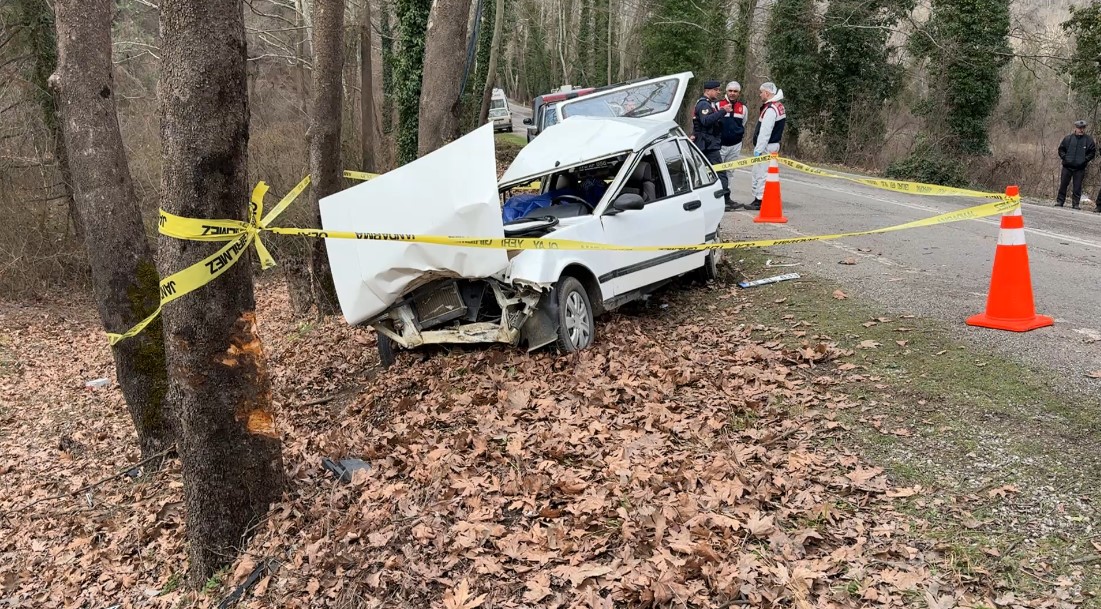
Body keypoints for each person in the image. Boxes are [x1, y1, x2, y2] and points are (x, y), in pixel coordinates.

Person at [749, 82, 786, 210]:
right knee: (762, 172)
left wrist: (759, 149)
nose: (760, 95)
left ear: (767, 93)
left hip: (767, 146)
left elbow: (765, 132)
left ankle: (759, 200)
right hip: (772, 144)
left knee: (761, 173)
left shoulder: (771, 109)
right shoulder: (778, 106)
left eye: (761, 92)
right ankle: (760, 197)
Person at [691, 80, 731, 197]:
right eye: (716, 90)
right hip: (707, 144)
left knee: (708, 172)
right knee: (719, 171)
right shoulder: (704, 104)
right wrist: (723, 111)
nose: (718, 92)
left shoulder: (709, 103)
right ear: (708, 91)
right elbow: (706, 121)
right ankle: (725, 198)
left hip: (707, 142)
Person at [717, 81, 747, 210]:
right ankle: (717, 198)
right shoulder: (718, 105)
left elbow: (743, 123)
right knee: (718, 172)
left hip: (735, 145)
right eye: (730, 91)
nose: (733, 93)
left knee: (730, 172)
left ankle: (726, 197)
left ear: (739, 93)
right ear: (726, 91)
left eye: (735, 91)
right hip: (720, 145)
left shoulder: (743, 108)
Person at [1056, 120, 1096, 209]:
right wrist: (1065, 158)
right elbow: (1061, 149)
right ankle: (1060, 201)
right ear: (1076, 128)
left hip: (1080, 168)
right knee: (1063, 185)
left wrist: (1084, 160)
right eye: (1079, 128)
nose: (1081, 130)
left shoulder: (1088, 140)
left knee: (1077, 187)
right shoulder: (1068, 138)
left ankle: (1075, 204)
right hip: (1067, 166)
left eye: (1083, 128)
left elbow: (1092, 152)